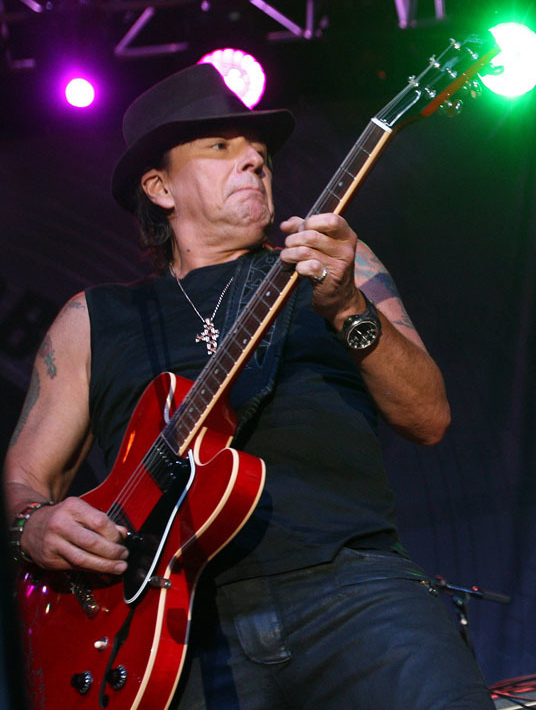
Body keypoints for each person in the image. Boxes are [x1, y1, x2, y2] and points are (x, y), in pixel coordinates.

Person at [3, 63, 494, 709]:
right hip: (167, 629)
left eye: (258, 152)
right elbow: (23, 479)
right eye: (221, 147)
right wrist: (33, 527)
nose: (254, 162)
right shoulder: (93, 318)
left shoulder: (336, 267)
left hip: (354, 591)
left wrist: (347, 306)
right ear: (158, 186)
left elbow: (428, 416)